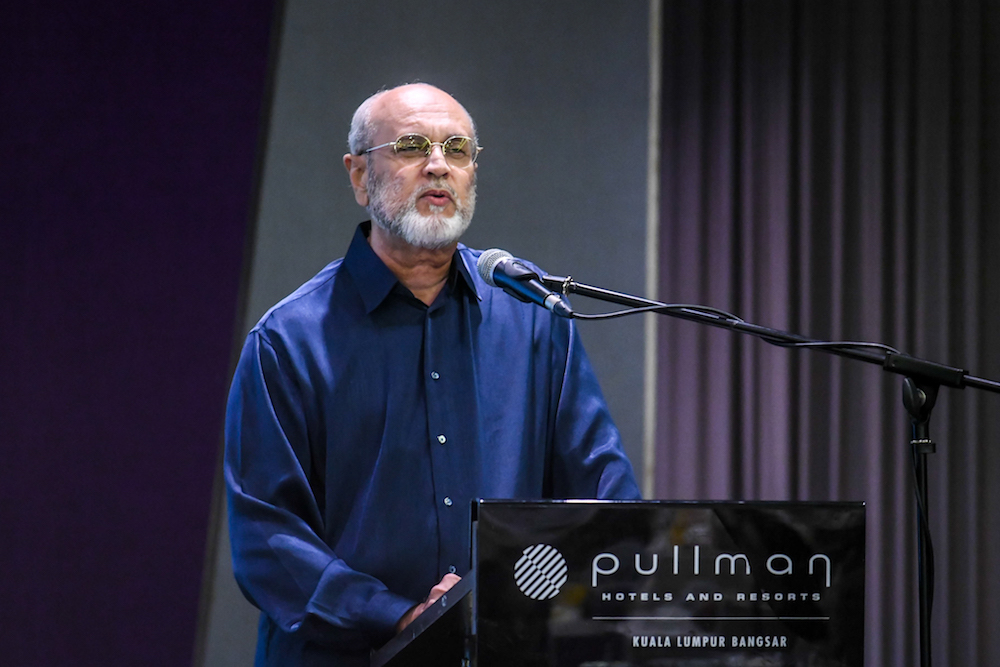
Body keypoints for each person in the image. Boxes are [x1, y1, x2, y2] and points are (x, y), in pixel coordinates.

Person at [225, 82, 641, 666]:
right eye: (413, 145)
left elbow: (603, 493)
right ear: (358, 176)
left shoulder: (531, 315)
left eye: (459, 149)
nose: (439, 165)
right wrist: (401, 616)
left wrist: (535, 596)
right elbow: (269, 541)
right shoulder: (287, 341)